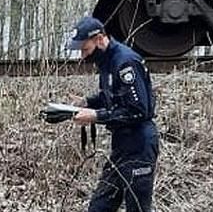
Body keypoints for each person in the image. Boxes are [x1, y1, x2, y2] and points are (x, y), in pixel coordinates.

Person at [65, 15, 159, 212]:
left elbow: (138, 110)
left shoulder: (125, 62)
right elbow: (113, 96)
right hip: (121, 147)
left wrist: (96, 116)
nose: (83, 56)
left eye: (85, 49)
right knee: (99, 207)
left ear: (99, 39)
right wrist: (86, 102)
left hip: (139, 145)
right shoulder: (107, 62)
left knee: (138, 208)